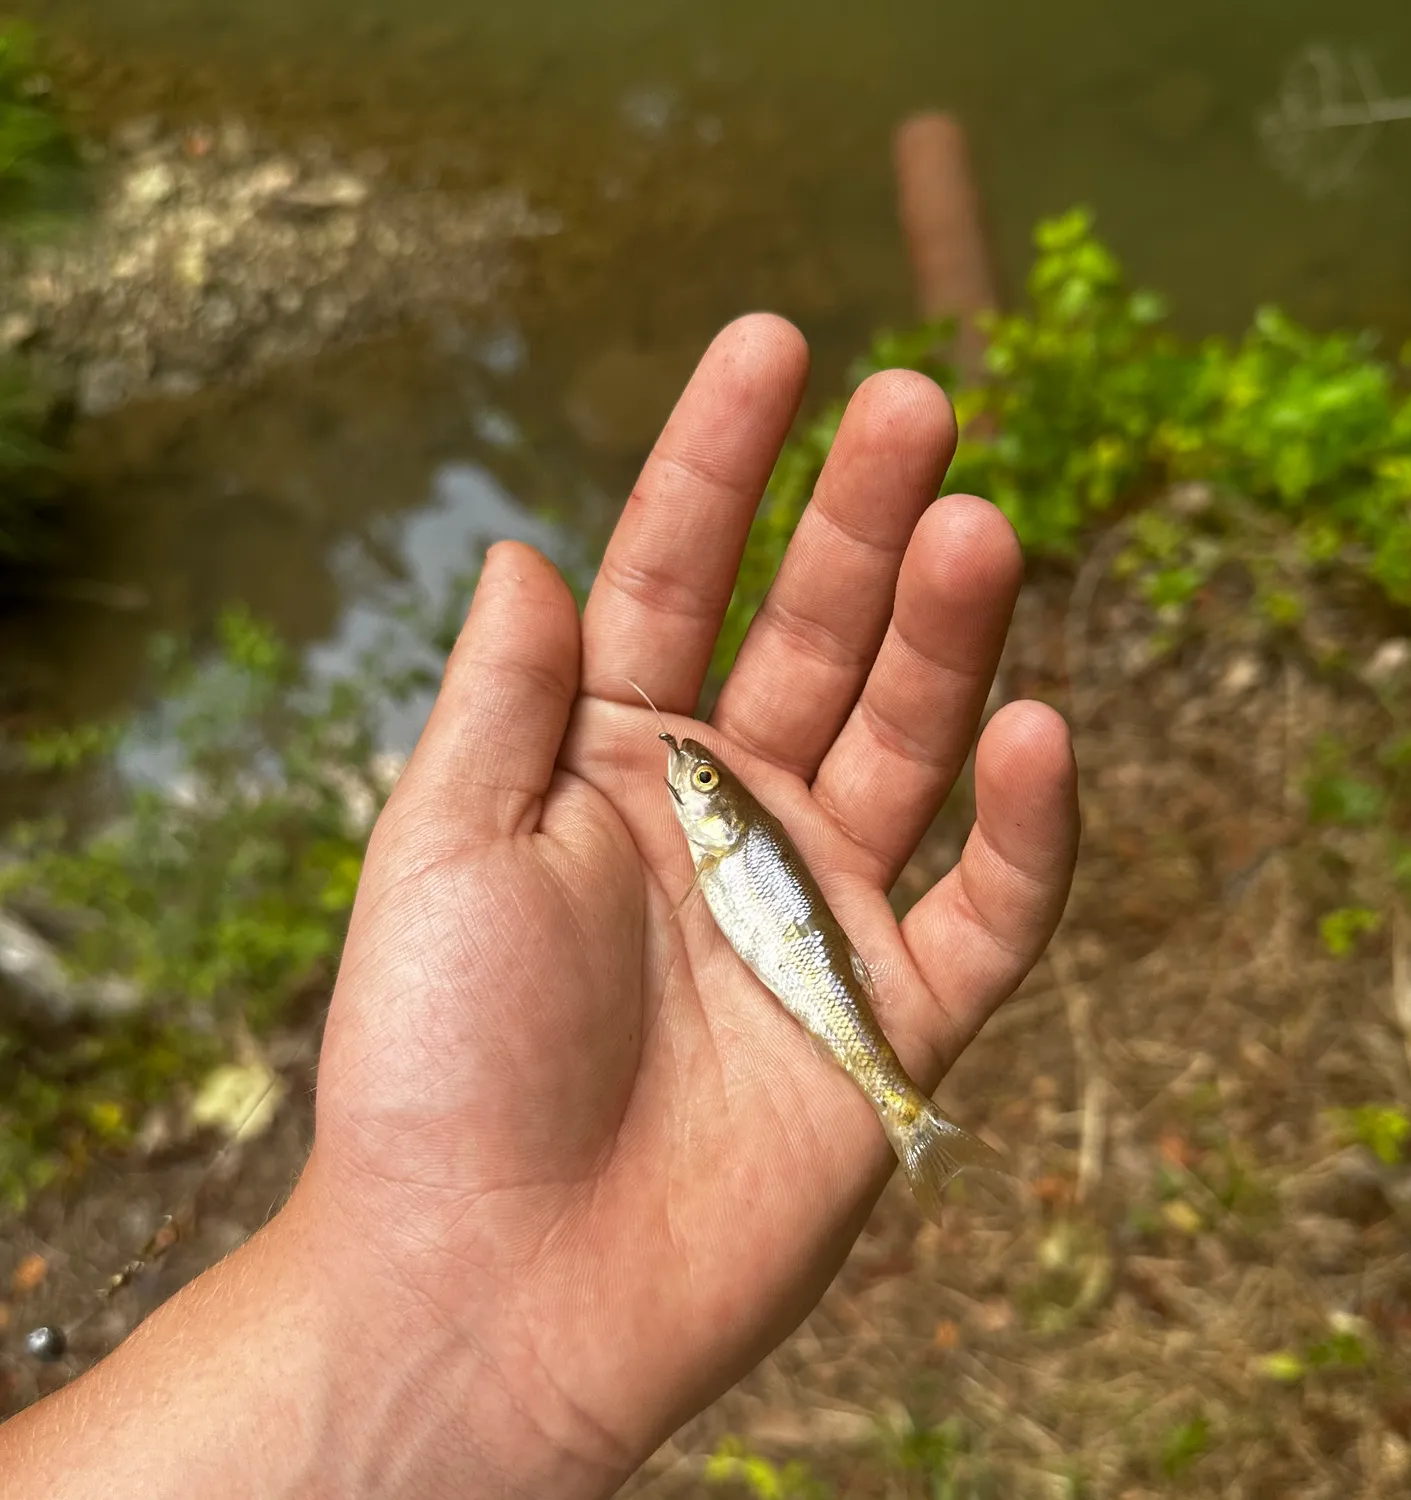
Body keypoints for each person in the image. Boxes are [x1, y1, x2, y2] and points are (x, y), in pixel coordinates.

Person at [0, 315, 1078, 1498]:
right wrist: (420, 1289)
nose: (689, 781)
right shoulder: (708, 836)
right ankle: (907, 1119)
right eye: (700, 780)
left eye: (701, 783)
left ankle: (906, 1120)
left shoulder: (721, 841)